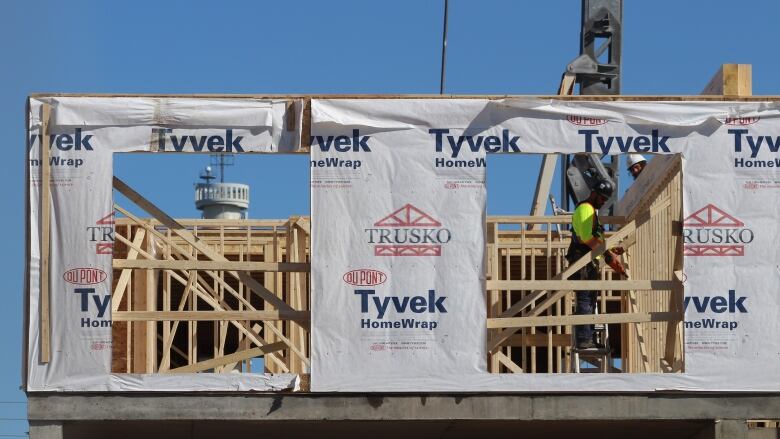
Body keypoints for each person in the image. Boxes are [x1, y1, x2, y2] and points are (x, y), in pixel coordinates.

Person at [566, 179, 626, 349]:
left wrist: (611, 249)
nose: (603, 202)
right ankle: (584, 340)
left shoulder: (592, 211)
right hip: (582, 260)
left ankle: (588, 338)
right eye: (601, 199)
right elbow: (587, 238)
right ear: (594, 193)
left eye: (605, 200)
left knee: (590, 300)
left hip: (588, 262)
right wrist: (608, 256)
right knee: (585, 299)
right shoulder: (586, 209)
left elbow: (595, 239)